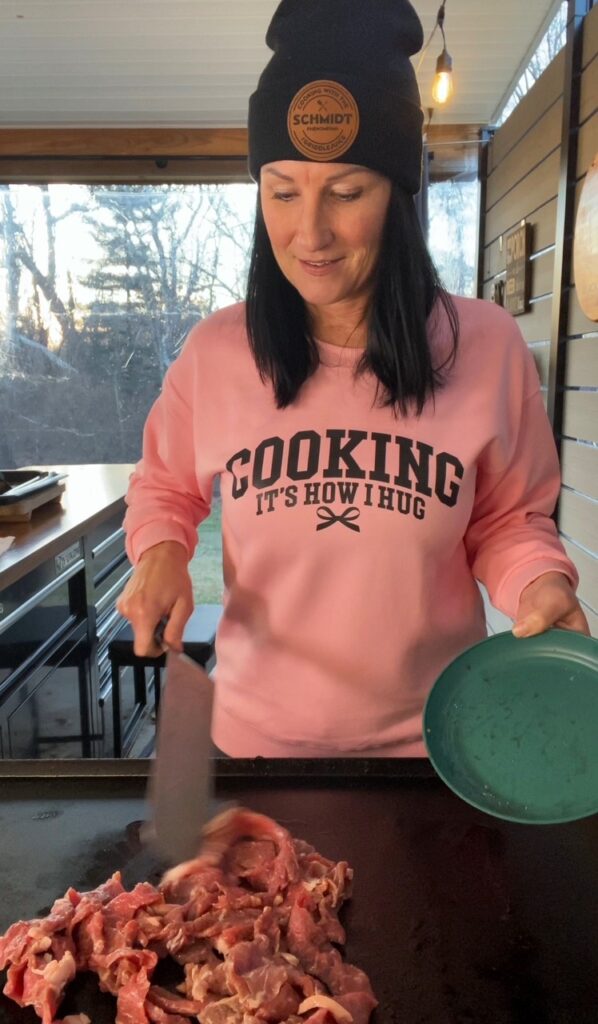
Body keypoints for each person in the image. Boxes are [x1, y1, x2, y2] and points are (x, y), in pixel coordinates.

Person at [118, 0, 589, 758]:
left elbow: (508, 522)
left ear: (400, 197)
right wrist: (163, 551)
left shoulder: (488, 347)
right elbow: (166, 488)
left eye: (345, 192)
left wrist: (541, 585)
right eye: (281, 191)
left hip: (439, 749)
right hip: (255, 753)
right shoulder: (216, 353)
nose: (310, 234)